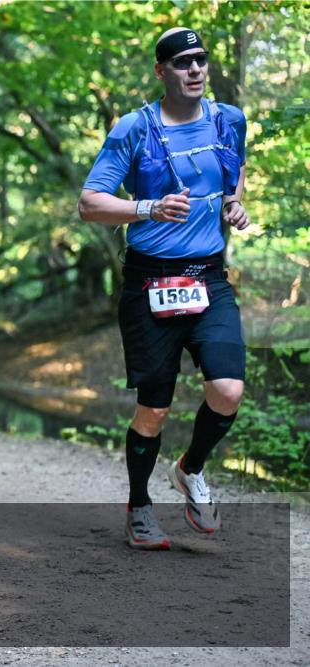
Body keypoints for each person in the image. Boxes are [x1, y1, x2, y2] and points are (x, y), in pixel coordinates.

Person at [78, 28, 250, 550]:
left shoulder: (229, 120)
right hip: (151, 280)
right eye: (182, 63)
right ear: (161, 72)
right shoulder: (135, 129)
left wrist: (233, 205)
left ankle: (190, 469)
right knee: (154, 408)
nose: (195, 70)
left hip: (209, 278)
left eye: (200, 61)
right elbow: (89, 203)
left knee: (228, 390)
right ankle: (140, 506)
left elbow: (234, 174)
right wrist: (147, 208)